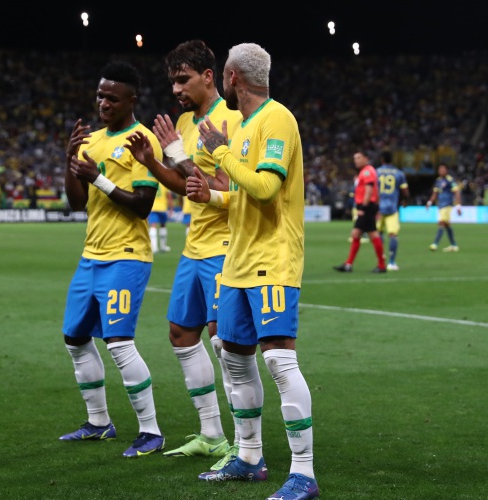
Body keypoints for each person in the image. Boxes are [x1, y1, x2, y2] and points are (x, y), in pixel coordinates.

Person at [184, 42, 319, 500]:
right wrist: (214, 198)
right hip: (237, 262)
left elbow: (265, 187)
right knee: (234, 357)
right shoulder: (242, 128)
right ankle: (249, 456)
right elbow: (244, 195)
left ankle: (303, 472)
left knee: (279, 360)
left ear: (231, 77)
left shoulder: (276, 118)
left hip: (273, 260)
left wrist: (221, 155)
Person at [124, 39, 241, 469]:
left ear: (208, 76)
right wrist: (153, 162)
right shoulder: (184, 122)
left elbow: (230, 188)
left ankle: (242, 443)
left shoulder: (230, 118)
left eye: (183, 79)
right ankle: (211, 434)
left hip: (226, 246)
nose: (176, 89)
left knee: (225, 343)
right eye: (172, 80)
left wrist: (176, 154)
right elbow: (185, 185)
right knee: (180, 334)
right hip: (195, 247)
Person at [59, 61, 166, 459]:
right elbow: (76, 202)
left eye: (112, 98)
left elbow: (142, 206)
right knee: (75, 338)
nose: (103, 103)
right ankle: (99, 422)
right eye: (100, 95)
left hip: (127, 256)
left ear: (131, 101)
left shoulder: (142, 141)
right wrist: (70, 160)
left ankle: (151, 431)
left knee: (119, 343)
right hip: (91, 256)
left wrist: (98, 178)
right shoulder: (93, 140)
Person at [333, 151, 387, 273]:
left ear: (366, 158)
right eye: (354, 158)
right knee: (358, 234)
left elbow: (369, 190)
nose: (356, 160)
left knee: (369, 234)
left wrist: (363, 208)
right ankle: (349, 264)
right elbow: (375, 191)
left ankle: (381, 265)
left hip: (366, 207)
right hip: (369, 206)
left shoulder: (367, 171)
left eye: (358, 158)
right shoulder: (367, 171)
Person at [376, 151, 410, 271]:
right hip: (392, 208)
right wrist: (405, 201)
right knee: (393, 235)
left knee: (378, 234)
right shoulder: (399, 173)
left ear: (382, 160)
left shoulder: (376, 172)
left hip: (378, 209)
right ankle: (391, 262)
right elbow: (405, 191)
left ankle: (381, 259)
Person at [425, 163, 462, 252]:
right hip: (440, 205)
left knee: (441, 222)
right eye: (439, 169)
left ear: (446, 170)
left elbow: (456, 192)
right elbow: (435, 193)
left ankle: (435, 244)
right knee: (447, 225)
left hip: (447, 205)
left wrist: (458, 206)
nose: (440, 171)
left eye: (442, 169)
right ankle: (454, 245)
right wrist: (429, 202)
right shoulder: (438, 181)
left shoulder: (450, 180)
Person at [149, 182, 174, 253]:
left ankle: (154, 247)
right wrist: (171, 208)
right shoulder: (164, 182)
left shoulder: (152, 182)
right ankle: (163, 246)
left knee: (153, 226)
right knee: (163, 226)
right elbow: (169, 197)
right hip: (162, 207)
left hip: (153, 207)